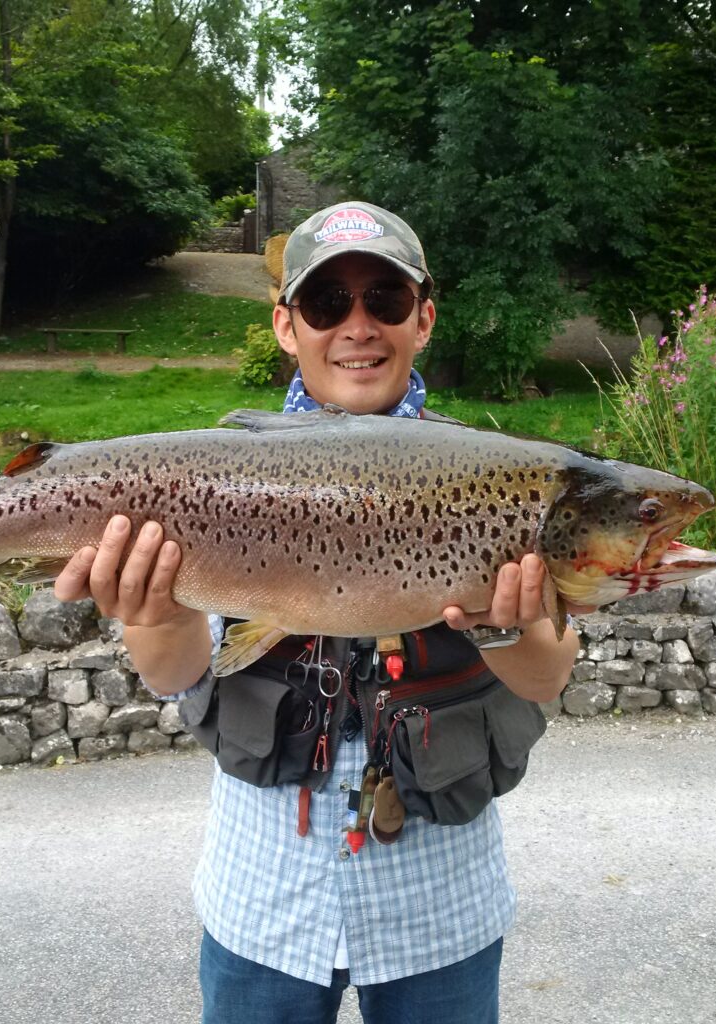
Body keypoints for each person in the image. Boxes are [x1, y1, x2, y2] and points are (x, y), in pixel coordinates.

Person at [54, 201, 584, 1023]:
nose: (358, 325)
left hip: (438, 905)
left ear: (425, 318)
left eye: (386, 299)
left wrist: (505, 620)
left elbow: (547, 676)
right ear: (285, 325)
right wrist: (151, 608)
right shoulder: (220, 473)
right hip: (264, 898)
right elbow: (176, 674)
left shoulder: (501, 478)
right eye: (327, 303)